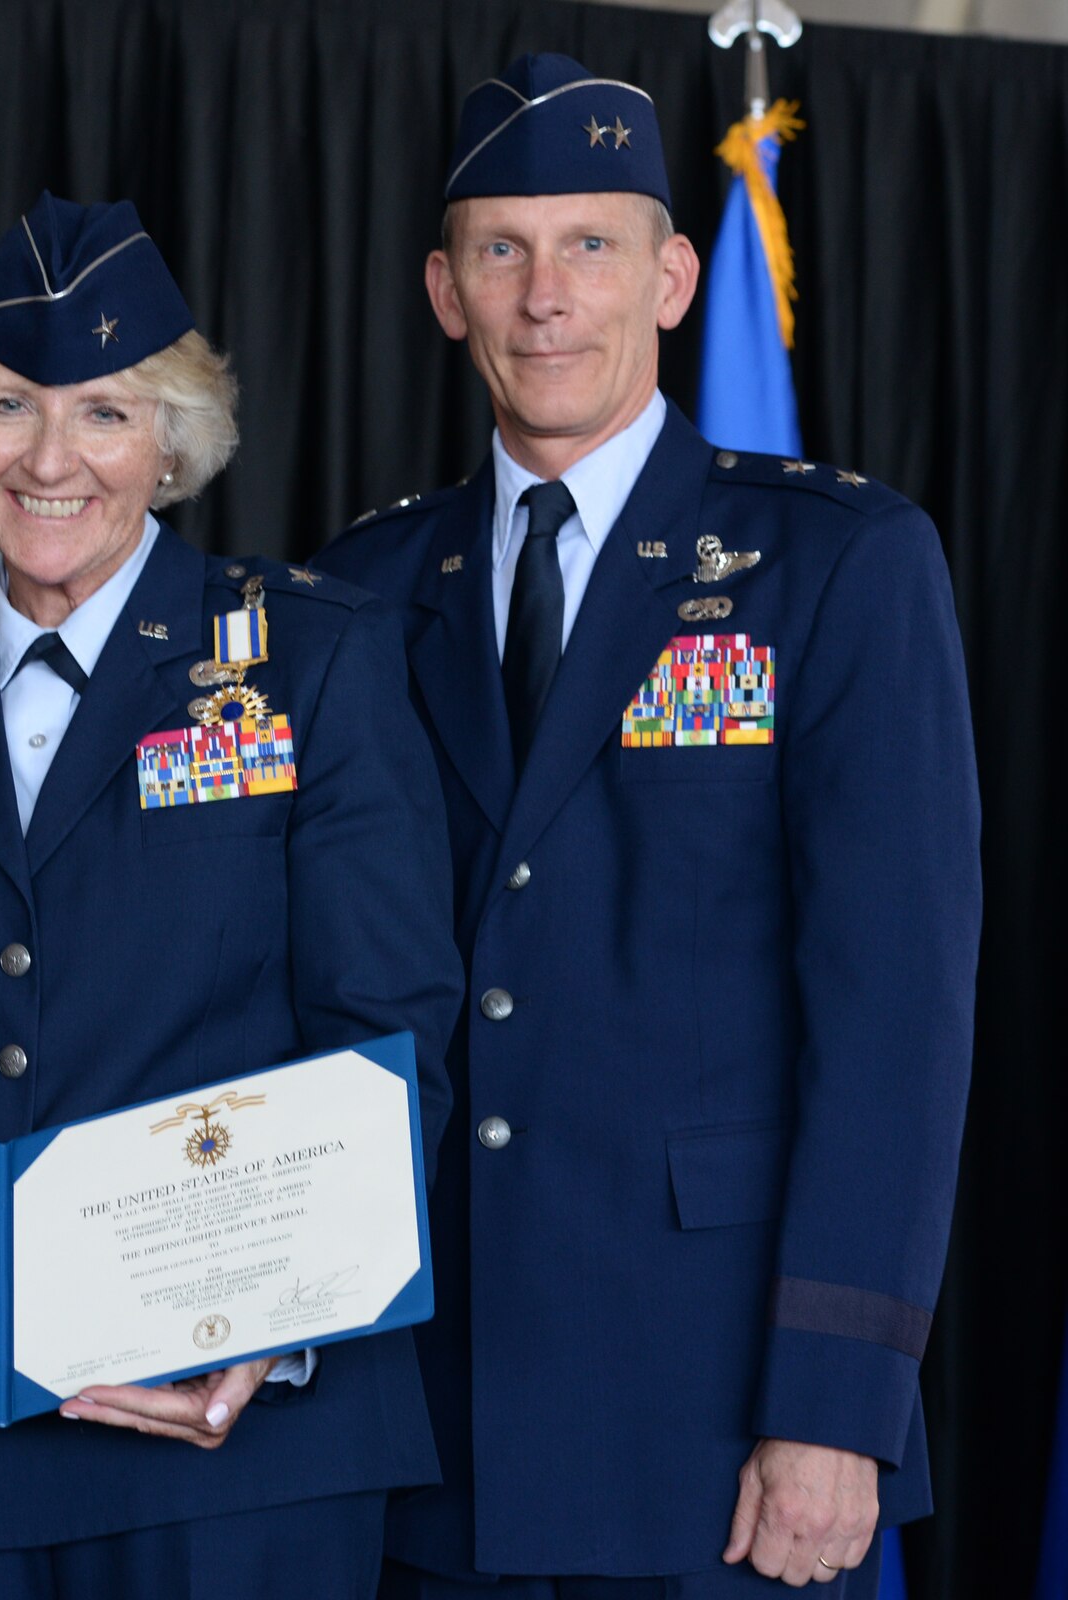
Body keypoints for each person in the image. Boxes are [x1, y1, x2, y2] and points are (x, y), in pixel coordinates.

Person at [316, 53, 982, 1598]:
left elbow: (897, 1021)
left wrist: (836, 1410)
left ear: (677, 278)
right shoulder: (357, 592)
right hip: (429, 1422)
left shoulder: (837, 563)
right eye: (503, 250)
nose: (548, 296)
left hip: (719, 1427)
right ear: (442, 289)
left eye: (593, 246)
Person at [0, 191, 466, 1600]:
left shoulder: (311, 661)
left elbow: (385, 1026)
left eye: (107, 413)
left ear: (174, 442)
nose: (51, 459)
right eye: (10, 407)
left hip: (229, 1448)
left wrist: (278, 1317)